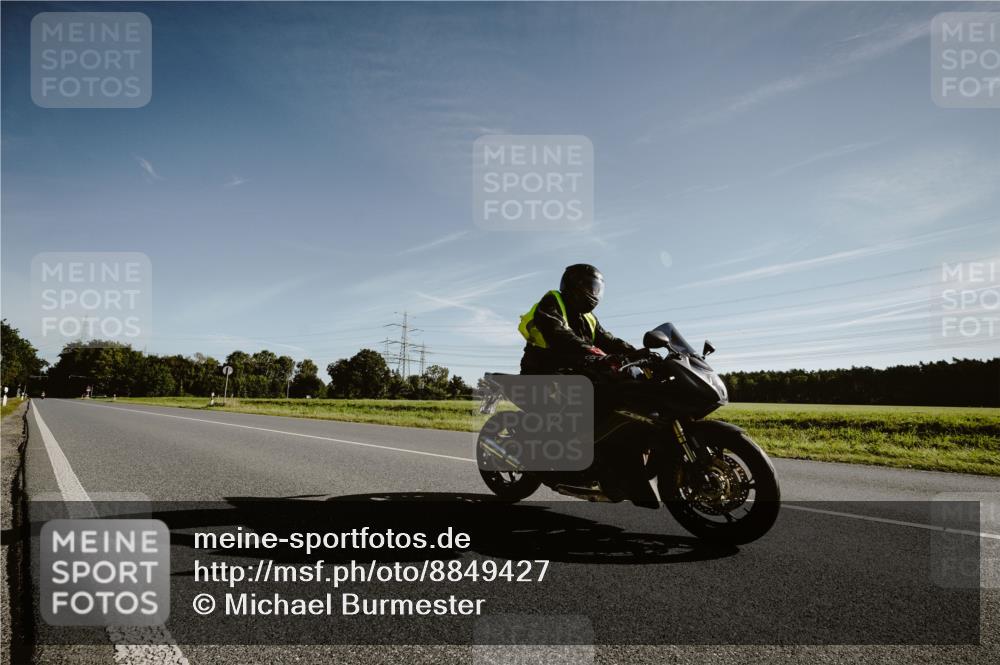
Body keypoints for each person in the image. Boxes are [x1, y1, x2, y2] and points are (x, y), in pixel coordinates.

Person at [517, 264, 656, 506]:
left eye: (597, 288)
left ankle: (606, 460)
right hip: (543, 372)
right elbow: (558, 333)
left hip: (574, 372)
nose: (594, 293)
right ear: (574, 286)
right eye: (590, 286)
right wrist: (593, 352)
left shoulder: (588, 318)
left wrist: (637, 352)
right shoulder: (552, 303)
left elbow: (608, 339)